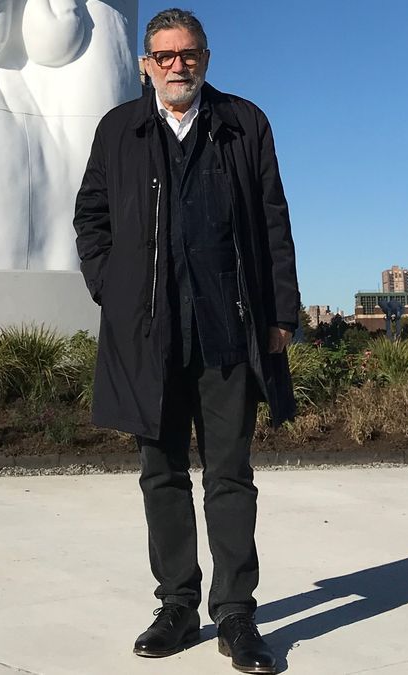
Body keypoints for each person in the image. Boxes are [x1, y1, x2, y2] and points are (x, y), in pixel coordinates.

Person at [73, 8, 299, 674]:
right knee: (162, 475)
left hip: (228, 331)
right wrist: (109, 286)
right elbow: (92, 218)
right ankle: (177, 604)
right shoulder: (119, 129)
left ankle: (236, 613)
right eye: (165, 56)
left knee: (230, 476)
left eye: (189, 54)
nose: (178, 65)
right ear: (147, 65)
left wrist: (281, 310)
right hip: (149, 336)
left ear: (206, 57)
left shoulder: (244, 123)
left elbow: (274, 220)